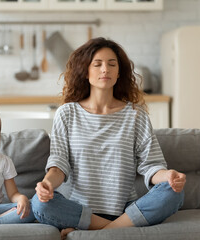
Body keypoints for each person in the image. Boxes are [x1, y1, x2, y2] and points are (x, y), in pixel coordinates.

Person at [31, 37, 186, 237]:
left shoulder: (135, 114)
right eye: (98, 64)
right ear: (85, 71)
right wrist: (47, 184)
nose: (105, 69)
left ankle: (94, 232)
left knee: (173, 193)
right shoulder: (67, 113)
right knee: (38, 203)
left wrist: (168, 177)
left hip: (124, 209)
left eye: (112, 64)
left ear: (119, 72)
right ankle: (117, 229)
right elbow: (59, 164)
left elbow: (151, 165)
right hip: (78, 209)